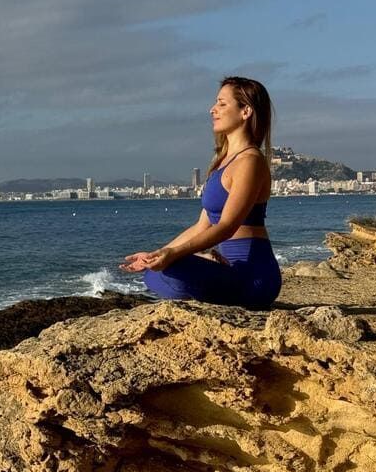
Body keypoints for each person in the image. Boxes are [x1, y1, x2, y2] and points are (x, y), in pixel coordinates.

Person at [119, 76, 282, 310]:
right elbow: (202, 225)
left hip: (253, 277)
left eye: (222, 104)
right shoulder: (223, 161)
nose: (212, 109)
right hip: (230, 269)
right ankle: (206, 266)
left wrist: (173, 255)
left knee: (168, 271)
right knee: (154, 271)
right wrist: (158, 254)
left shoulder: (250, 161)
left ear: (245, 111)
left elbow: (227, 226)